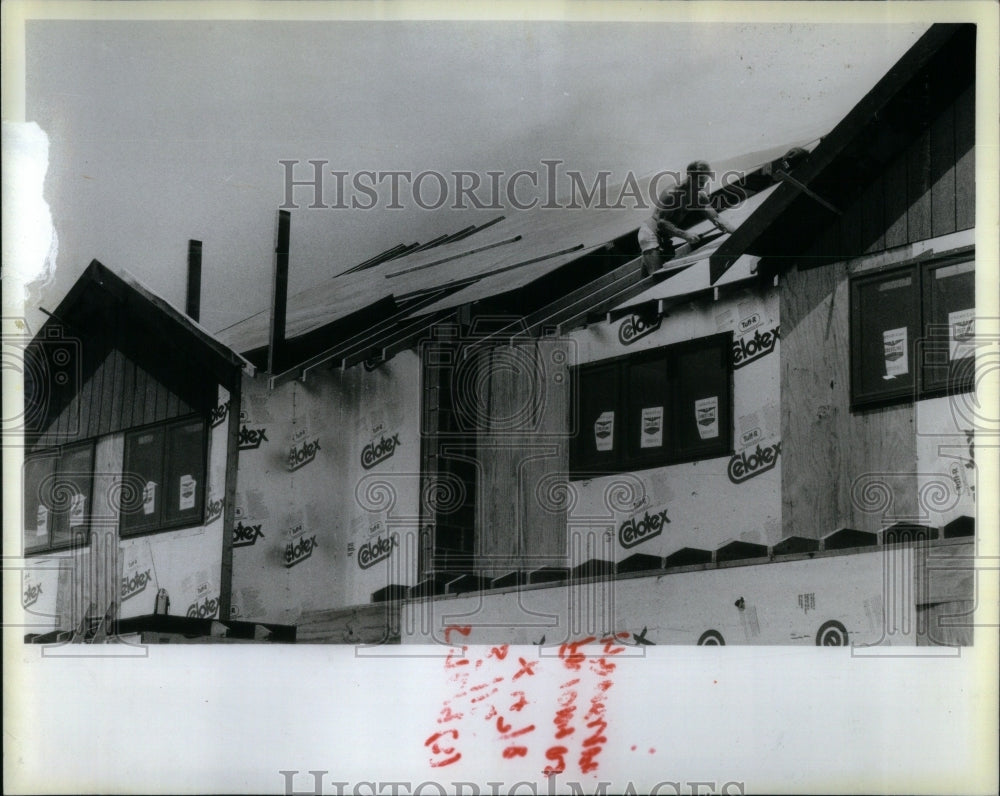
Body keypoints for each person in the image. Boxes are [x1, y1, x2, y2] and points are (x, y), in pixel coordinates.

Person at [638, 160, 737, 276]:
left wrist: (739, 232)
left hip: (665, 236)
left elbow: (718, 219)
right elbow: (661, 223)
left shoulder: (699, 196)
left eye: (705, 182)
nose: (702, 186)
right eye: (700, 182)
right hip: (650, 234)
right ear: (690, 177)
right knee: (656, 277)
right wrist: (686, 235)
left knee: (647, 276)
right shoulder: (673, 194)